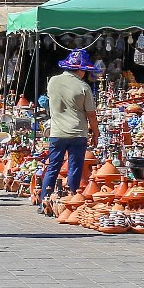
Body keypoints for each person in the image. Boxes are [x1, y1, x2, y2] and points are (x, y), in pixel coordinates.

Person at [38, 49, 99, 204]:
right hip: (78, 134)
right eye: (84, 70)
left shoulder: (53, 81)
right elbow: (91, 115)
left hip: (57, 133)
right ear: (80, 70)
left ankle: (44, 200)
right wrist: (96, 134)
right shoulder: (83, 87)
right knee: (75, 169)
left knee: (53, 167)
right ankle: (71, 200)